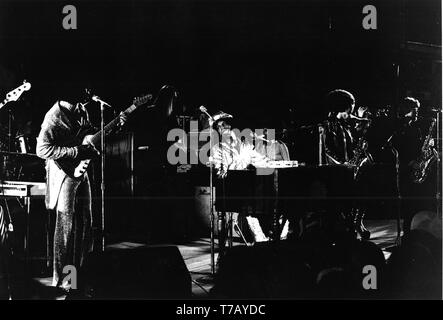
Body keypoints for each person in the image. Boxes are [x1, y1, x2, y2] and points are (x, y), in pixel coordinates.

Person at [36, 86, 126, 291]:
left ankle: (81, 276)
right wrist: (75, 151)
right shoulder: (55, 114)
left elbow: (90, 138)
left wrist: (115, 126)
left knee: (85, 224)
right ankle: (62, 280)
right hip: (63, 175)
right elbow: (42, 149)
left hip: (80, 172)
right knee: (65, 226)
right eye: (84, 90)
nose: (88, 94)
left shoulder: (81, 110)